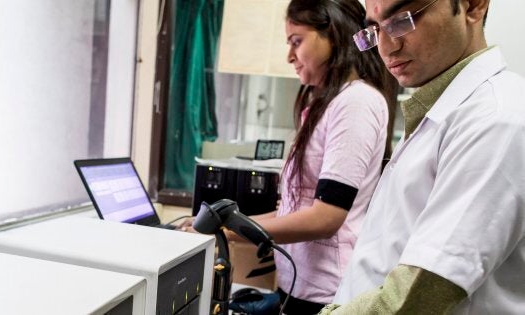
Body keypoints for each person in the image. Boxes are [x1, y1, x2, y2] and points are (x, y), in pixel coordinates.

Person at [181, 0, 396, 313]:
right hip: (300, 283)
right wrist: (226, 226)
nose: (289, 56)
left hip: (327, 293)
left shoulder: (357, 103)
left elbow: (326, 217)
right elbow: (293, 209)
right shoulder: (326, 106)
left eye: (297, 41)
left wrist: (227, 231)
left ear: (333, 35)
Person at [321, 0, 525, 313]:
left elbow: (424, 287)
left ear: (473, 6)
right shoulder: (441, 110)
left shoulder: (497, 118)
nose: (387, 47)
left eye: (402, 20)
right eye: (375, 29)